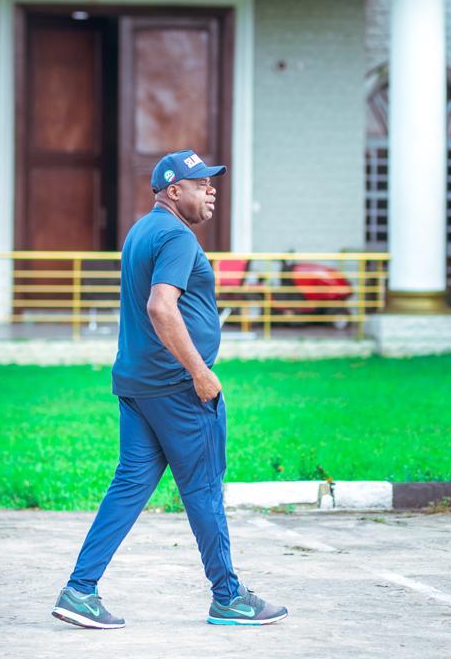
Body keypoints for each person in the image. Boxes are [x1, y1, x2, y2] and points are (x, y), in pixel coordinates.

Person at [52, 149, 288, 629]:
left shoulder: (141, 230)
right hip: (176, 389)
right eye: (202, 183)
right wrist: (200, 372)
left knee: (129, 486)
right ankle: (228, 596)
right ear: (173, 190)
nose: (212, 189)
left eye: (212, 182)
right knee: (203, 488)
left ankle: (80, 589)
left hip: (138, 385)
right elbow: (162, 308)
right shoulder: (178, 237)